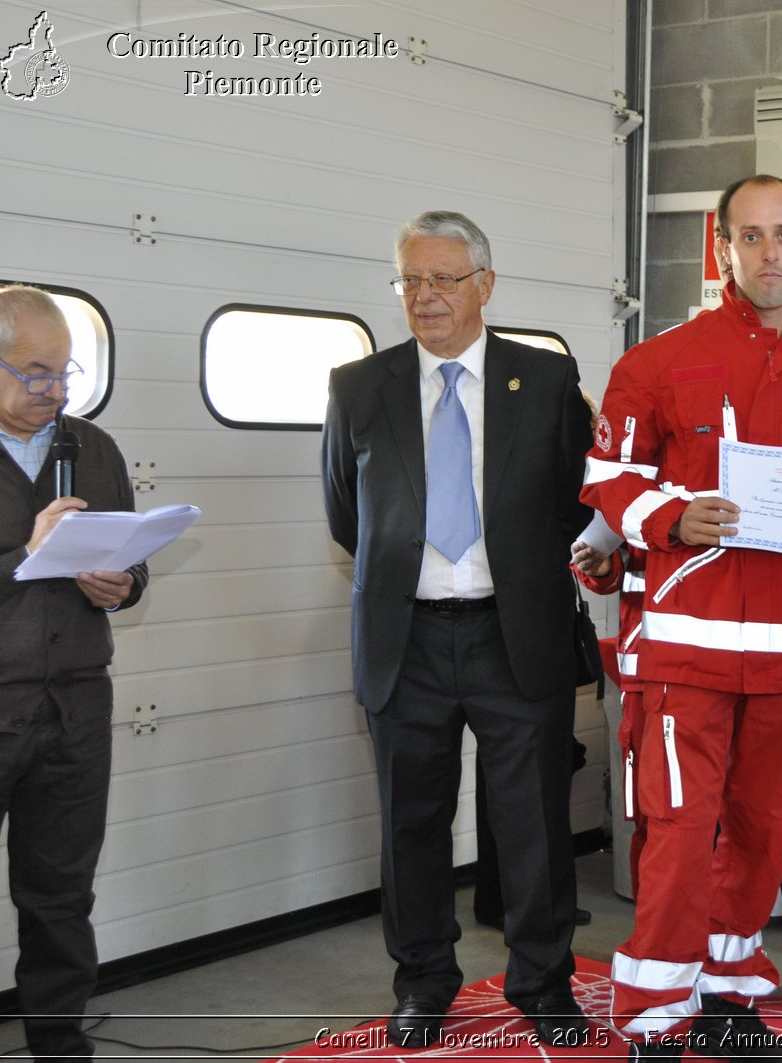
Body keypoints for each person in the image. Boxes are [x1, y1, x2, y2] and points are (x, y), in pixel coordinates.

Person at [581, 174, 782, 1061]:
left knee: (765, 826)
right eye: (750, 237)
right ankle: (653, 1016)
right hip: (689, 649)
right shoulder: (659, 359)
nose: (769, 254)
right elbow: (608, 475)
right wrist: (671, 518)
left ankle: (726, 993)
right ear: (721, 246)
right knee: (679, 829)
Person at [320, 211, 593, 1050]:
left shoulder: (546, 381)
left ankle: (544, 983)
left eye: (443, 278)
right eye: (410, 279)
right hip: (405, 639)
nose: (425, 296)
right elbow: (344, 514)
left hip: (515, 635)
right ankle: (424, 982)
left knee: (535, 821)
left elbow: (575, 504)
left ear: (486, 284)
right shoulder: (357, 387)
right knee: (411, 823)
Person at [0, 284, 150, 1059]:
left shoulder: (92, 446)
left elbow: (128, 559)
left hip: (76, 707)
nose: (53, 391)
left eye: (65, 374)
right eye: (35, 372)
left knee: (60, 899)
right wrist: (26, 557)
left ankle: (59, 1044)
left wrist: (123, 583)